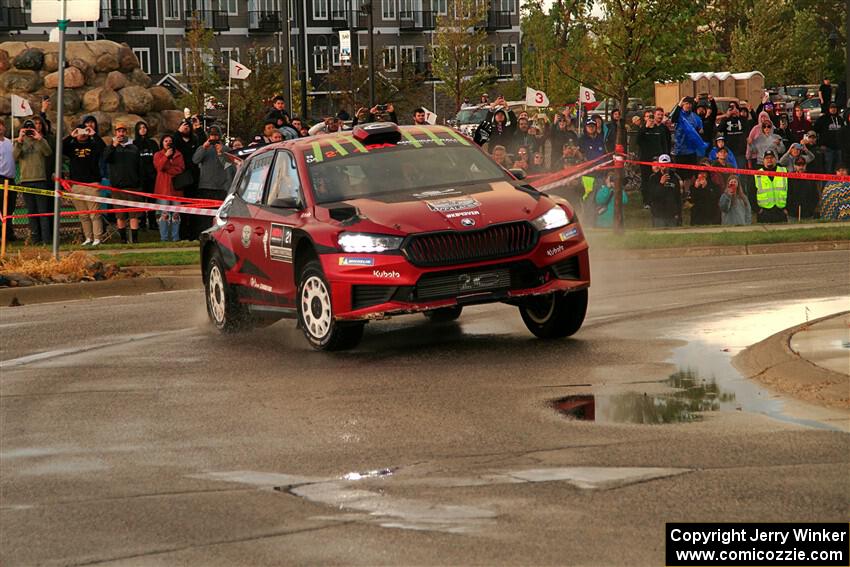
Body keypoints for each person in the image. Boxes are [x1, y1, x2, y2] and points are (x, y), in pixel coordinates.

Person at [63, 123, 105, 245]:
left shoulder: (93, 145)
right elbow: (59, 148)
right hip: (76, 185)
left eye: (84, 131)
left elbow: (103, 149)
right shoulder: (72, 146)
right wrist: (71, 136)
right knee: (83, 215)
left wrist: (94, 134)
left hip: (92, 184)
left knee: (94, 214)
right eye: (80, 131)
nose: (82, 134)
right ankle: (88, 238)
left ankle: (97, 238)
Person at [13, 119, 53, 244]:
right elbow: (14, 157)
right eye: (27, 129)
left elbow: (48, 152)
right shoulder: (20, 142)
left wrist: (39, 138)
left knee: (43, 212)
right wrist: (20, 140)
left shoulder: (40, 140)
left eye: (31, 128)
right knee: (31, 212)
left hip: (40, 180)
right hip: (26, 181)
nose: (29, 131)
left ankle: (46, 239)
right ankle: (35, 239)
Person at [103, 121, 143, 243]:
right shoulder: (111, 147)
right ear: (115, 133)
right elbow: (105, 159)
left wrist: (139, 183)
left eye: (123, 131)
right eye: (119, 131)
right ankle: (123, 240)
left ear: (126, 132)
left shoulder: (134, 148)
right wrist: (113, 146)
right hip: (117, 188)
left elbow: (139, 166)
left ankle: (135, 240)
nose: (121, 133)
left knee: (134, 215)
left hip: (133, 187)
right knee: (120, 215)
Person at [153, 134, 186, 242]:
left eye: (170, 141)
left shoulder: (178, 154)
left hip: (176, 190)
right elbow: (159, 167)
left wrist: (168, 170)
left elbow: (180, 169)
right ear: (162, 143)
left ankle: (175, 238)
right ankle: (164, 238)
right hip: (162, 190)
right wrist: (166, 156)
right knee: (163, 214)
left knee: (176, 215)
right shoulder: (158, 154)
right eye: (166, 141)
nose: (168, 142)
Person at [670, 96, 706, 189]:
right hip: (680, 150)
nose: (688, 106)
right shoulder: (679, 115)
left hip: (691, 151)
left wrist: (700, 129)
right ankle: (681, 192)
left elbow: (700, 128)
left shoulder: (694, 117)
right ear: (682, 104)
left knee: (690, 175)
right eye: (686, 103)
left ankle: (688, 192)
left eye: (690, 104)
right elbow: (673, 118)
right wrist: (679, 103)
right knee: (680, 174)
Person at [637, 108, 672, 205]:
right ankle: (646, 201)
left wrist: (665, 156)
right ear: (644, 118)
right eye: (648, 117)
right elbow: (638, 141)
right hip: (645, 159)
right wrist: (645, 128)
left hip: (657, 158)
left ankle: (657, 199)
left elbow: (664, 143)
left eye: (651, 117)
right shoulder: (642, 129)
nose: (650, 119)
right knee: (646, 179)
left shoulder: (659, 129)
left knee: (658, 178)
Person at [192, 125, 232, 209]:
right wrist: (203, 148)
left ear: (219, 136)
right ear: (208, 136)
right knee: (204, 213)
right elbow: (195, 160)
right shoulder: (203, 147)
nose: (214, 137)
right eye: (212, 135)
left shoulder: (227, 149)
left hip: (221, 188)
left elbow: (228, 166)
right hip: (205, 187)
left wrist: (221, 153)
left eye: (216, 135)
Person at [133, 120, 159, 230]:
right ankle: (142, 222)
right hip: (140, 177)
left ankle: (152, 222)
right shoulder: (134, 144)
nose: (143, 129)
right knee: (141, 200)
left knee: (152, 200)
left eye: (144, 127)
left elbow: (157, 158)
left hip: (152, 176)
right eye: (140, 128)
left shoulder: (152, 143)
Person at [647, 154, 682, 227]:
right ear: (659, 165)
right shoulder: (654, 178)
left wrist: (678, 213)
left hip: (672, 215)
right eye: (662, 165)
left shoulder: (674, 177)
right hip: (658, 215)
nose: (665, 167)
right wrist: (661, 183)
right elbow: (652, 196)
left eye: (667, 165)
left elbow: (678, 197)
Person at [753, 150, 788, 223]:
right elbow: (751, 193)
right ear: (763, 161)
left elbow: (791, 190)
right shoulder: (757, 174)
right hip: (764, 212)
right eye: (767, 158)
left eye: (771, 157)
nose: (769, 160)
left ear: (776, 159)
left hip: (781, 211)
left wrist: (787, 208)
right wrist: (757, 210)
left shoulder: (784, 171)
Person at [814, 102, 843, 174]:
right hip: (827, 148)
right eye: (831, 108)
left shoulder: (840, 119)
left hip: (838, 147)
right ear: (828, 109)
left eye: (834, 107)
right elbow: (815, 130)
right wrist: (820, 144)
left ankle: (837, 181)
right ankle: (828, 181)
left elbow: (843, 132)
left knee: (838, 168)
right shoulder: (822, 119)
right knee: (828, 168)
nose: (833, 109)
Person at [0, 121, 17, 242]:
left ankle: (8, 233)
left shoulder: (9, 142)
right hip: (0, 179)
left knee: (10, 208)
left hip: (10, 179)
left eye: (1, 126)